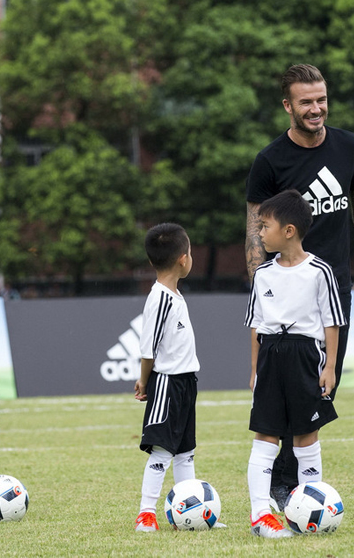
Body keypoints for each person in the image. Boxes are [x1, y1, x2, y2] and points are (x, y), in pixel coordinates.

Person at [245, 63, 354, 510]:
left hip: (333, 291)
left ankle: (296, 481)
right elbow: (254, 230)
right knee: (285, 390)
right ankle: (284, 485)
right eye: (306, 101)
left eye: (321, 99)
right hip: (285, 297)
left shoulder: (349, 147)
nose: (316, 109)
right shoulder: (270, 161)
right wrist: (258, 290)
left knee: (322, 388)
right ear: (287, 105)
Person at [244, 190, 346, 538]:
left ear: (288, 231)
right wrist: (255, 370)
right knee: (266, 435)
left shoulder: (319, 271)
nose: (259, 232)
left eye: (264, 226)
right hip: (271, 356)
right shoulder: (262, 274)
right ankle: (261, 515)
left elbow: (332, 322)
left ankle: (307, 507)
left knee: (306, 435)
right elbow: (256, 325)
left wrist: (330, 366)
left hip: (306, 356)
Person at [133, 223, 206, 532]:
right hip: (166, 382)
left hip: (187, 382)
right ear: (183, 259)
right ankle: (146, 513)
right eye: (190, 252)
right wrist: (143, 380)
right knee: (162, 451)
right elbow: (148, 348)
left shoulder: (175, 294)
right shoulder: (160, 298)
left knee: (185, 452)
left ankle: (189, 511)